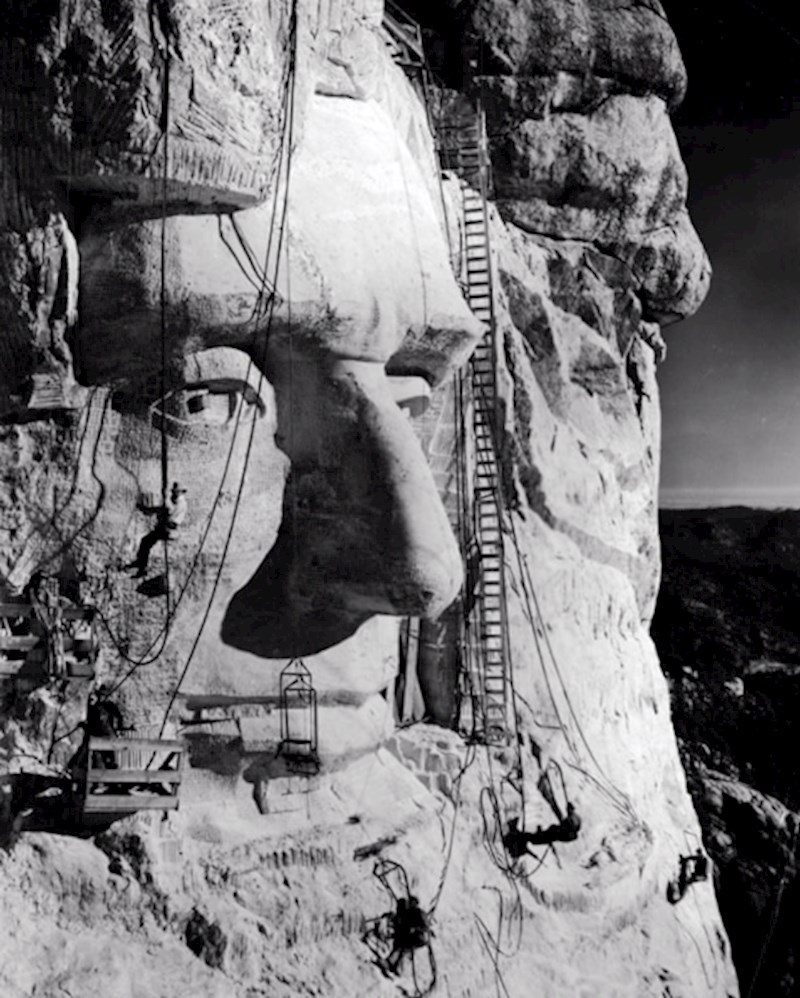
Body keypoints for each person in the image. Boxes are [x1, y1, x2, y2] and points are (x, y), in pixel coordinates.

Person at [132, 482, 188, 578]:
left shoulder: (181, 504)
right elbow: (161, 510)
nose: (173, 494)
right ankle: (140, 564)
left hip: (169, 530)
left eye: (175, 492)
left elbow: (173, 521)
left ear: (179, 492)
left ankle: (142, 567)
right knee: (145, 541)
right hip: (164, 528)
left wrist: (163, 518)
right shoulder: (174, 502)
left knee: (146, 542)